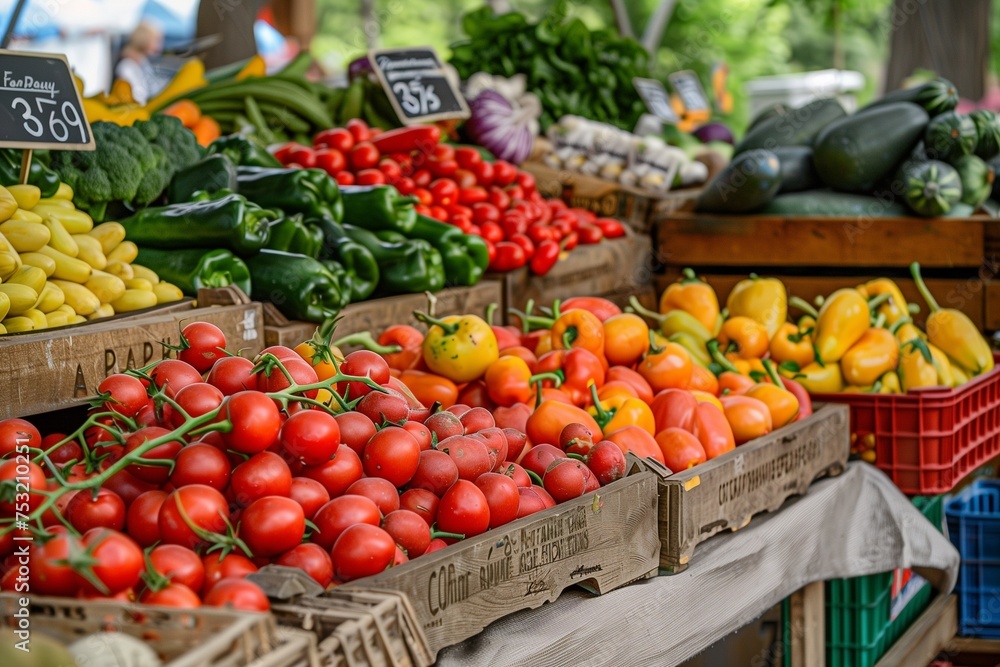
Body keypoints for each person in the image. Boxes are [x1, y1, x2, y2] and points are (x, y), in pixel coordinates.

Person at [114, 22, 163, 105]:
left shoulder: (142, 61)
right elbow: (138, 98)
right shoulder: (127, 66)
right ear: (144, 39)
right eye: (157, 40)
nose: (160, 45)